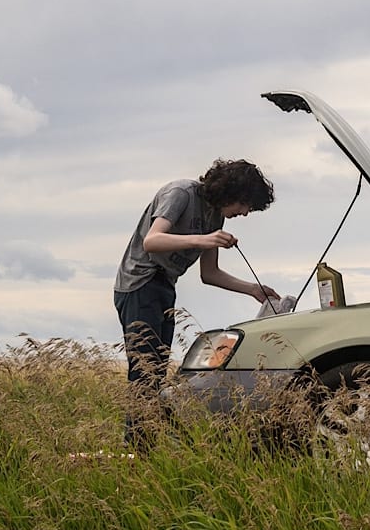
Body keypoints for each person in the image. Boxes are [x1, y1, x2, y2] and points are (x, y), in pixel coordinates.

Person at [112, 158, 279, 446]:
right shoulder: (181, 193)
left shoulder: (216, 216)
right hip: (139, 284)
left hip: (165, 286)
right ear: (232, 191)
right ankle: (137, 448)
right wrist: (202, 239)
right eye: (245, 204)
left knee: (156, 370)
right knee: (144, 371)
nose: (245, 212)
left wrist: (252, 289)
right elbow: (152, 241)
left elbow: (209, 274)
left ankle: (145, 445)